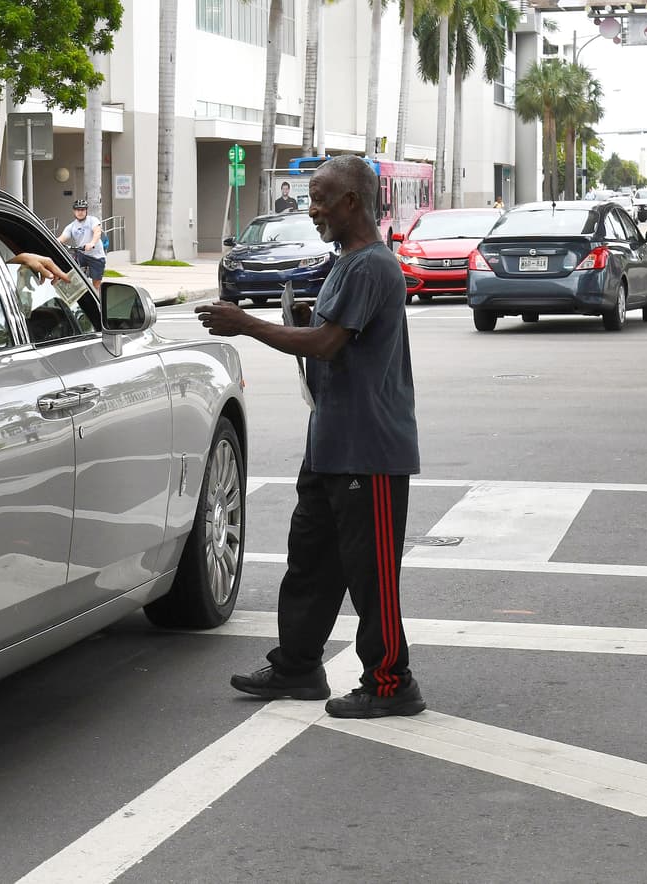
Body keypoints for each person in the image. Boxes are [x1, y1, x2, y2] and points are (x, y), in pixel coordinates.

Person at [193, 154, 425, 719]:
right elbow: (328, 340)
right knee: (311, 562)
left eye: (320, 199)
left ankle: (391, 683)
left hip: (368, 450)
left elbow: (326, 344)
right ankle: (297, 667)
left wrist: (247, 323)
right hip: (331, 443)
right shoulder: (347, 262)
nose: (312, 209)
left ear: (351, 202)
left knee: (371, 578)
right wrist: (298, 321)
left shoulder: (371, 266)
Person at [58, 199, 106, 288]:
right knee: (72, 274)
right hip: (82, 254)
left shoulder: (93, 220)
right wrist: (56, 242)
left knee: (96, 284)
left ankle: (96, 295)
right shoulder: (72, 226)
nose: (80, 212)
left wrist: (92, 243)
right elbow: (62, 238)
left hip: (96, 256)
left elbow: (97, 232)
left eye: (82, 210)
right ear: (74, 211)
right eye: (77, 210)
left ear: (86, 210)